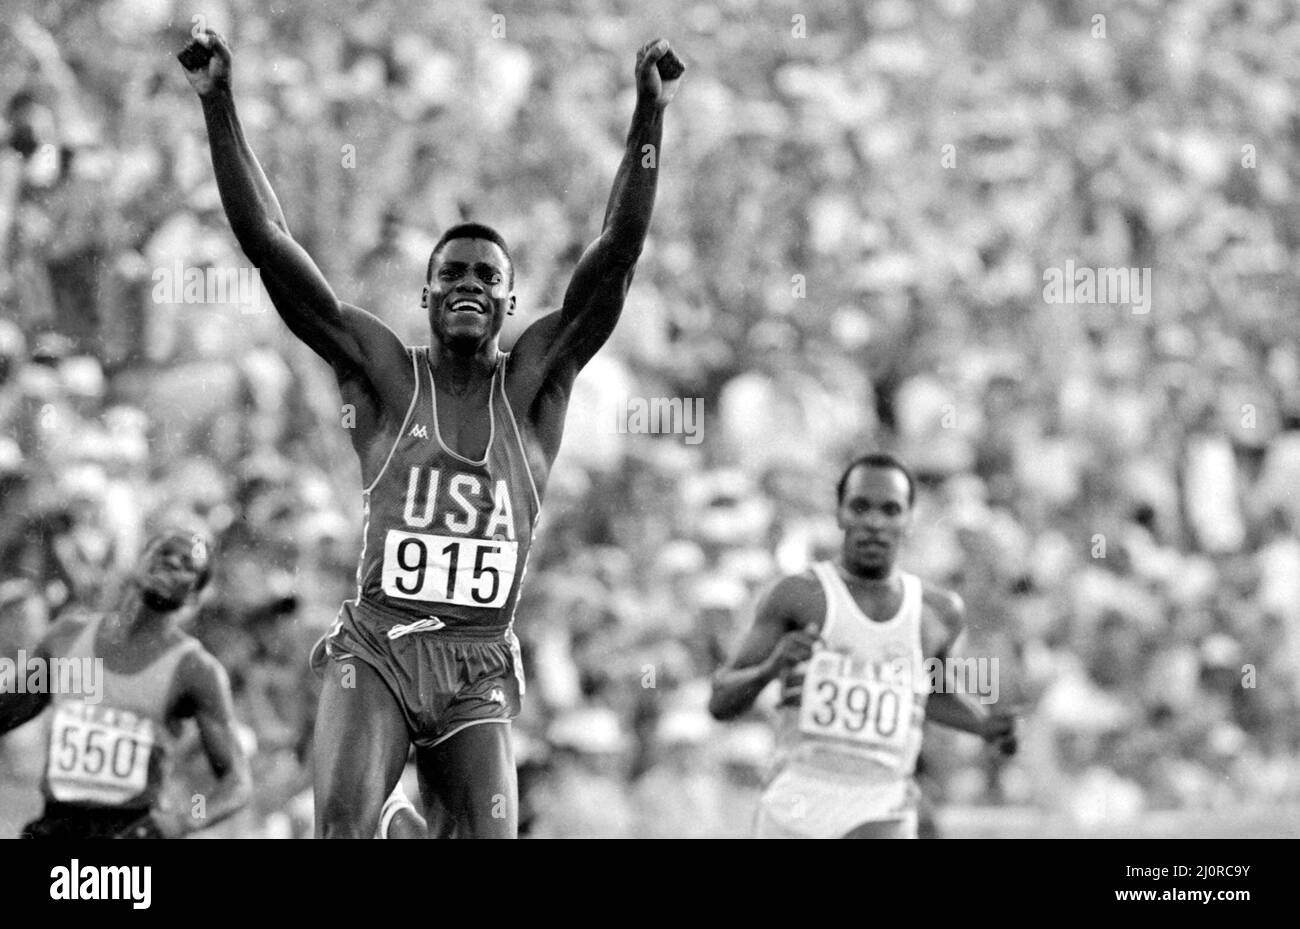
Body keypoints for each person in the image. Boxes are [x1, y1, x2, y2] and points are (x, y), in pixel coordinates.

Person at [179, 29, 683, 838]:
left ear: (511, 303)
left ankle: (420, 828)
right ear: (426, 293)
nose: (469, 285)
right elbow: (271, 249)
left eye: (488, 276)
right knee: (339, 832)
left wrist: (649, 116)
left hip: (477, 662)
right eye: (452, 272)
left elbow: (617, 256)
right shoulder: (382, 373)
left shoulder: (534, 387)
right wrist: (219, 103)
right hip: (379, 649)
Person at [709, 453, 1017, 838]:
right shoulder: (799, 596)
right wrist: (770, 668)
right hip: (798, 800)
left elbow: (929, 693)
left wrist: (984, 724)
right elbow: (721, 701)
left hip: (881, 800)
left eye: (890, 510)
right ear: (840, 514)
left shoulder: (937, 612)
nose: (874, 523)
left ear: (908, 519)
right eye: (861, 507)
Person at [0, 525, 251, 838]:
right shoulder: (67, 637)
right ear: (139, 560)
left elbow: (235, 781)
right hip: (55, 826)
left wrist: (187, 818)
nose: (173, 564)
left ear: (196, 596)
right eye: (165, 554)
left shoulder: (197, 670)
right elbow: (7, 710)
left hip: (130, 832)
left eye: (187, 566)